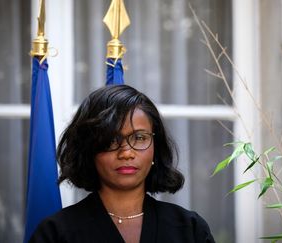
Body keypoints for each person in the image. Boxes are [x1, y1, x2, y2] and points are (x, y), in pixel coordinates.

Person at [29, 85, 215, 243]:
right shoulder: (55, 233)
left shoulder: (190, 229)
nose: (126, 153)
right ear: (89, 150)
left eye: (140, 138)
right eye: (111, 140)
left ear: (155, 149)